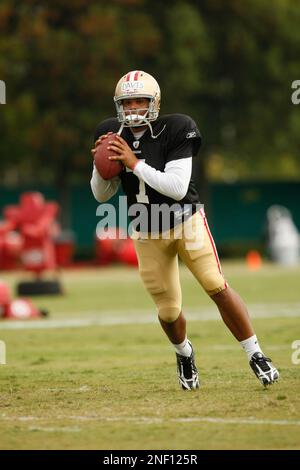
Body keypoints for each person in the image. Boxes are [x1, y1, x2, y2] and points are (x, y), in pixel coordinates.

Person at [90, 70, 279, 390]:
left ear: (155, 102)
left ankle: (256, 353)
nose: (134, 108)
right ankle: (184, 353)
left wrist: (134, 163)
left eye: (140, 101)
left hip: (185, 222)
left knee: (215, 285)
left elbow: (177, 187)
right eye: (127, 102)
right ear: (118, 105)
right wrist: (100, 167)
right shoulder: (111, 132)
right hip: (147, 231)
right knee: (168, 310)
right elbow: (101, 194)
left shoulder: (177, 127)